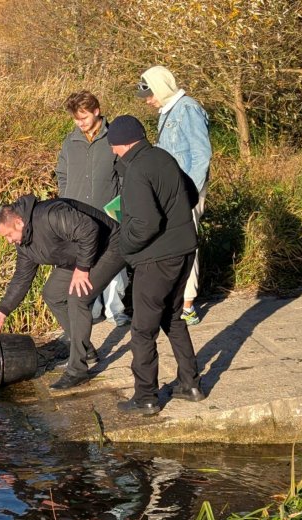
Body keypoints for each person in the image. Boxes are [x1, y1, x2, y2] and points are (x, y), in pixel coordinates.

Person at [106, 115, 205, 416]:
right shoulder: (163, 157)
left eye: (113, 147)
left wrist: (124, 246)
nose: (112, 152)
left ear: (121, 143)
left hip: (157, 259)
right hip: (185, 250)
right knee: (173, 318)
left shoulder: (136, 170)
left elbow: (146, 224)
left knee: (142, 330)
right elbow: (189, 195)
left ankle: (146, 396)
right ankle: (190, 383)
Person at [0, 194, 126, 390]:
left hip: (110, 245)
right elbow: (21, 278)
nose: (9, 241)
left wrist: (83, 268)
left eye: (9, 235)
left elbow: (89, 229)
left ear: (18, 222)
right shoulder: (24, 244)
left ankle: (77, 370)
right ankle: (85, 350)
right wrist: (2, 312)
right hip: (79, 257)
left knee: (78, 297)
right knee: (52, 293)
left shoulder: (50, 214)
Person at [136, 66, 212, 325]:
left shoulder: (188, 109)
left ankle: (188, 305)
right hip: (171, 192)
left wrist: (189, 193)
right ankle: (177, 299)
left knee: (186, 244)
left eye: (150, 94)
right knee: (173, 245)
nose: (147, 100)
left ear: (161, 87)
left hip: (186, 191)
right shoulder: (166, 112)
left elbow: (201, 154)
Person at [56, 90, 131, 326]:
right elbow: (62, 174)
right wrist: (66, 199)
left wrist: (120, 205)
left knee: (113, 265)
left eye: (84, 117)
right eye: (76, 119)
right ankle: (91, 309)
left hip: (109, 214)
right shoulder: (70, 141)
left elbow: (124, 175)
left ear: (96, 111)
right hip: (77, 217)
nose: (80, 123)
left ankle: (116, 310)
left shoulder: (113, 137)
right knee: (84, 262)